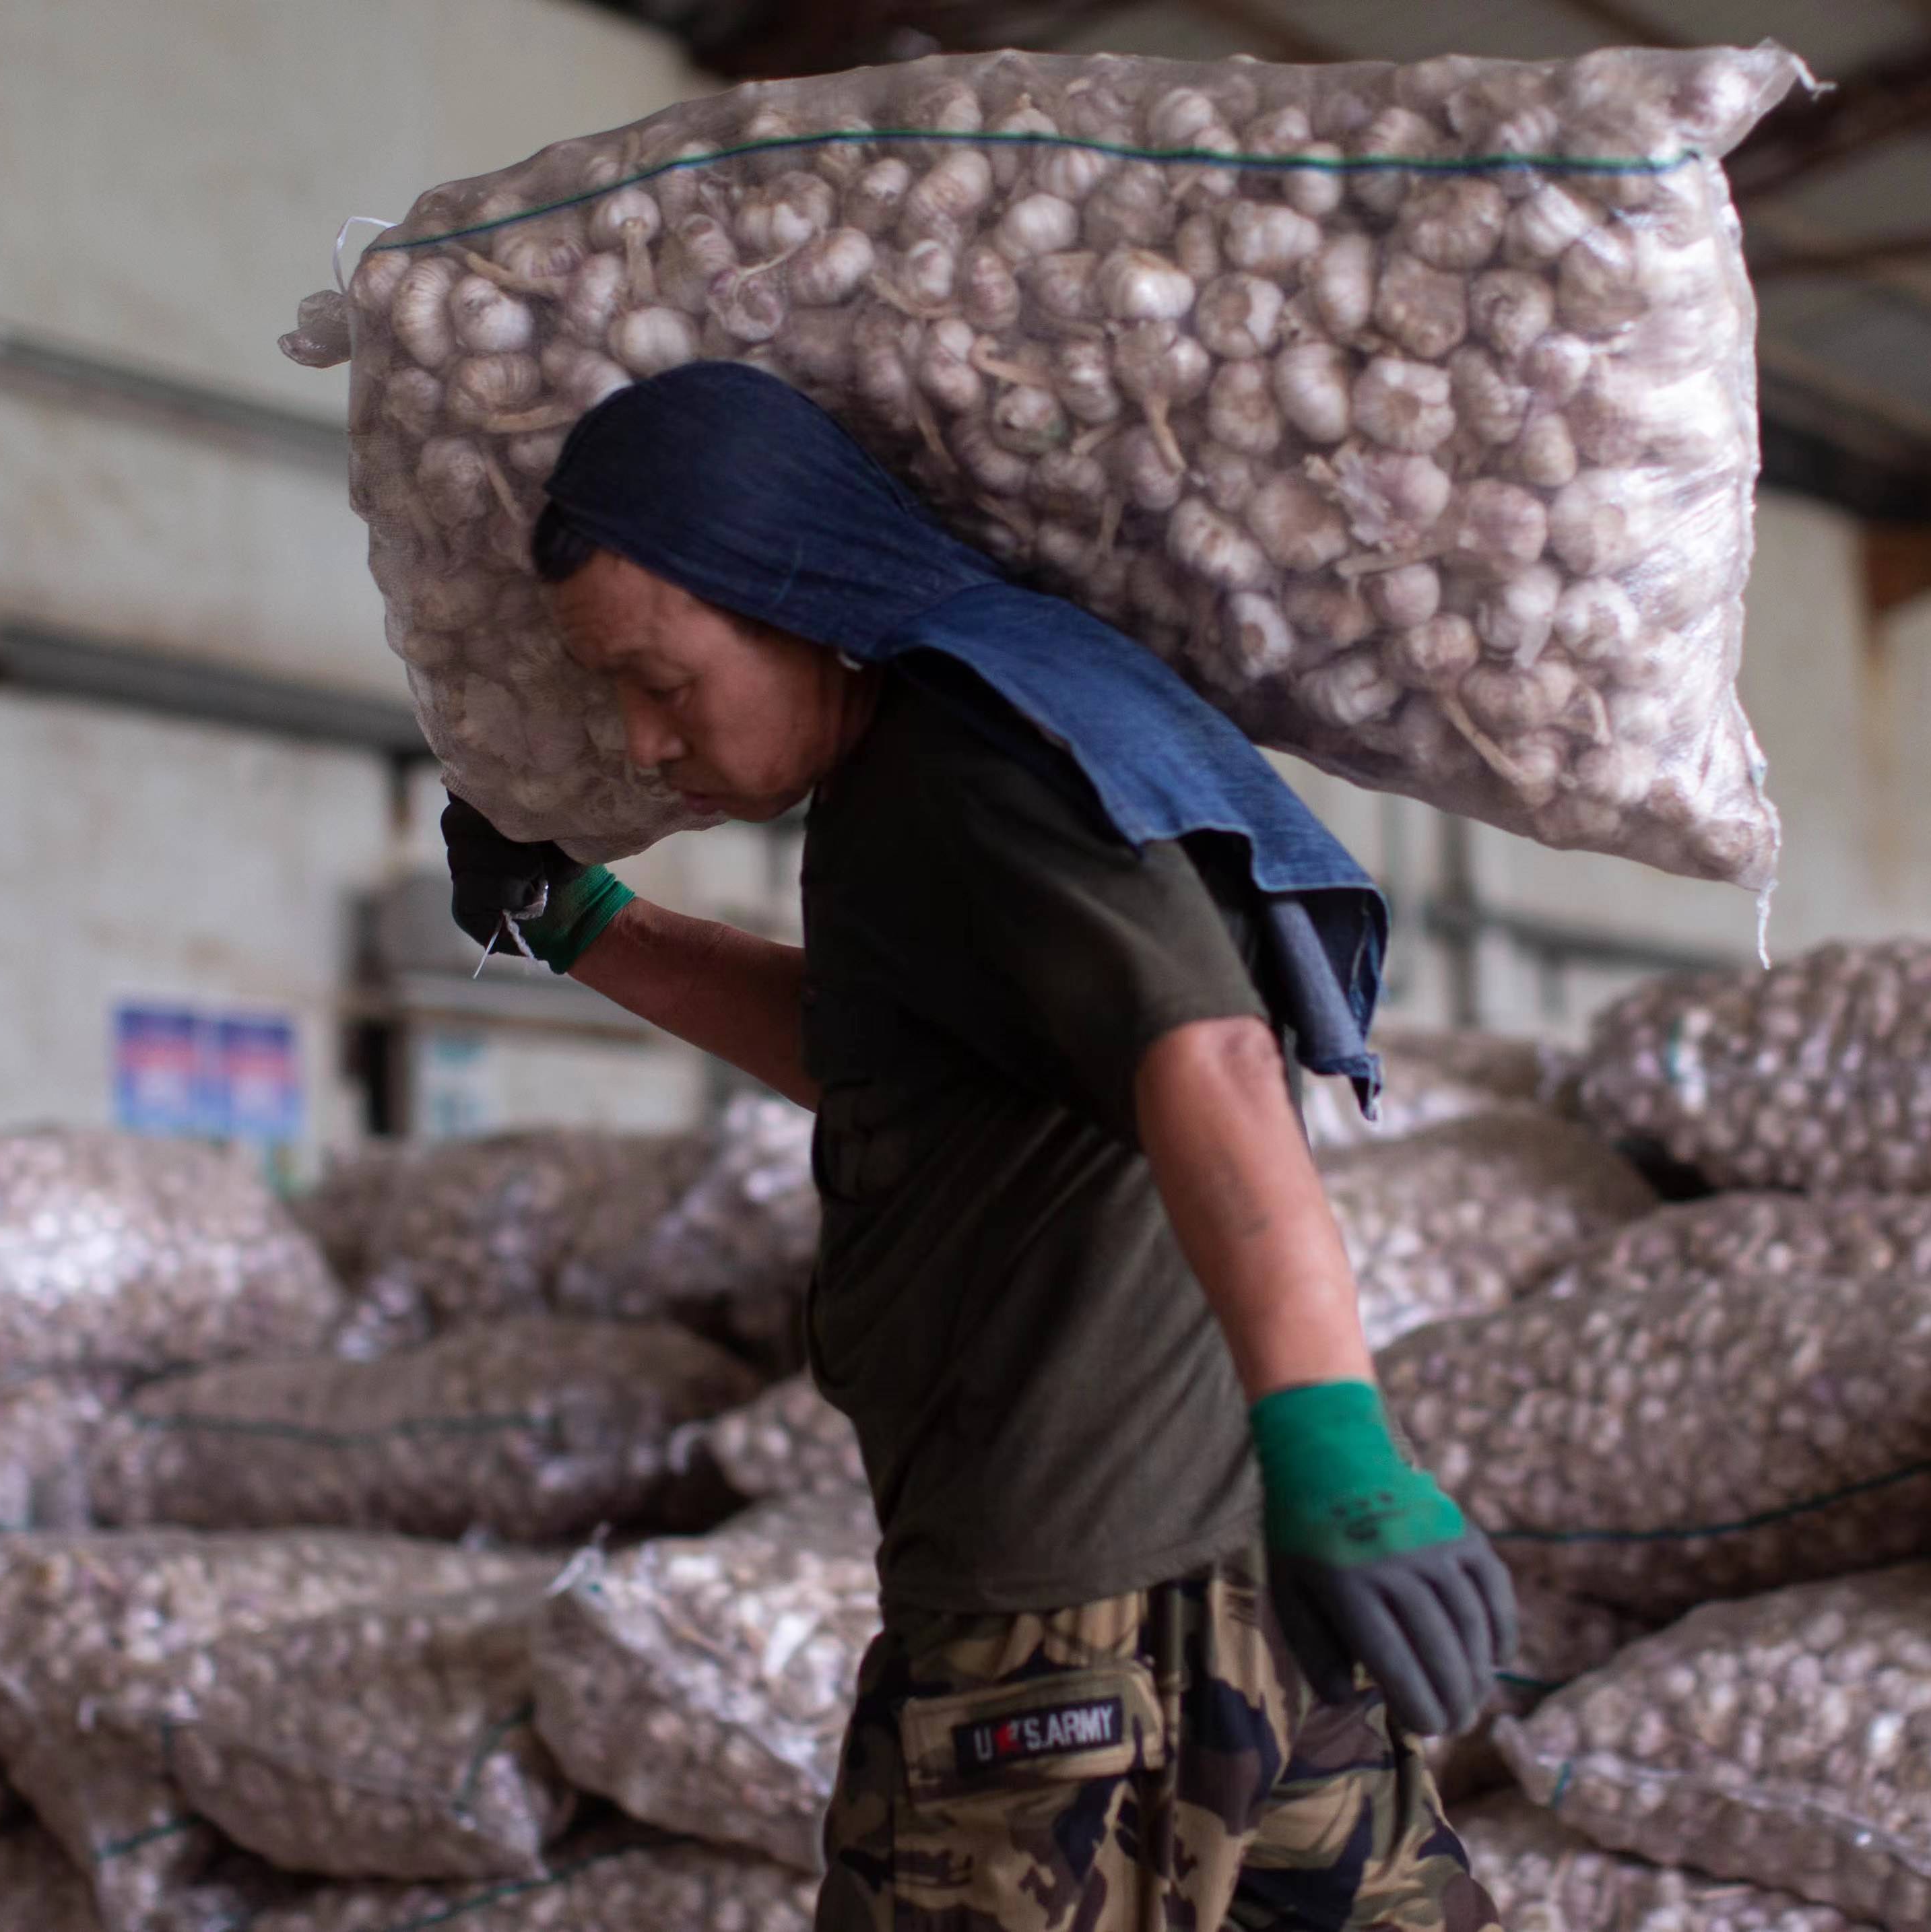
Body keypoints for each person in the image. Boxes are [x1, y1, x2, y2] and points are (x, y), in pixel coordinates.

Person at [441, 361, 1515, 1932]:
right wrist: (589, 925)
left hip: (1073, 1642)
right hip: (1213, 1605)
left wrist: (1338, 1444)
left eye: (660, 678)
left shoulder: (970, 758)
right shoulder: (932, 768)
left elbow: (1210, 1054)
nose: (640, 736)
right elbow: (888, 1061)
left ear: (790, 596)